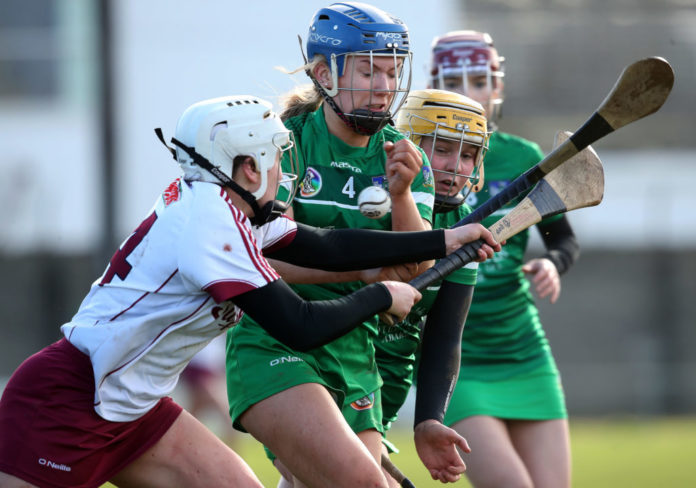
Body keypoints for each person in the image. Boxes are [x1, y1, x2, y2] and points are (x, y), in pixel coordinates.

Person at [0, 94, 499, 488]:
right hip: (68, 402)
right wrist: (381, 297)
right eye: (275, 158)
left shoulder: (230, 208)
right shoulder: (212, 228)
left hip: (137, 412)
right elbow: (298, 326)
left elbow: (325, 246)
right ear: (247, 166)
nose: (283, 172)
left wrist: (443, 238)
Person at [224, 3, 475, 487]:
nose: (384, 87)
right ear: (325, 73)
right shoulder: (283, 144)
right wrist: (364, 274)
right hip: (275, 340)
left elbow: (416, 263)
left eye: (392, 72)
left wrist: (401, 194)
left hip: (357, 351)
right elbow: (267, 258)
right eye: (369, 71)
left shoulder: (406, 154)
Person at [430, 30, 580, 488]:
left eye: (478, 80)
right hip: (456, 357)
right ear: (433, 86)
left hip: (524, 349)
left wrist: (553, 263)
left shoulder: (523, 157)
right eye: (453, 82)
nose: (466, 93)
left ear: (496, 87)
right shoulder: (416, 155)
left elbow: (563, 239)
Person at [374, 88, 492, 485]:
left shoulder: (463, 218)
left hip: (387, 391)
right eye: (442, 149)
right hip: (335, 373)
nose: (454, 166)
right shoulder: (375, 200)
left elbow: (444, 336)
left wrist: (428, 420)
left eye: (467, 154)